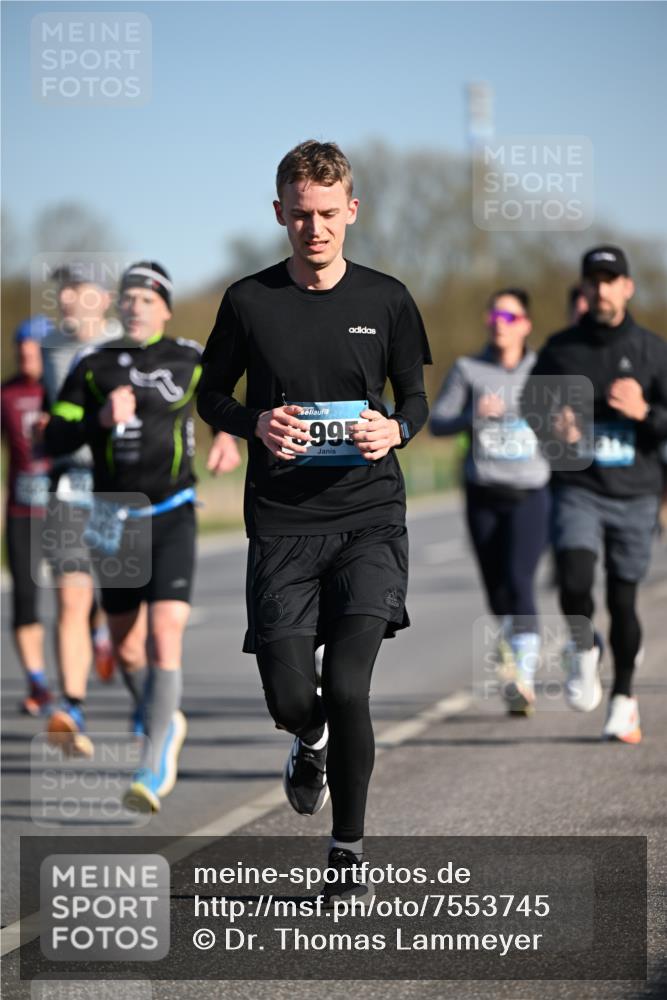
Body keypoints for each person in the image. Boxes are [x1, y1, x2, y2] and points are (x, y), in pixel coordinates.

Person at [197, 140, 431, 901]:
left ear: (351, 211)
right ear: (279, 214)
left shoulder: (387, 298)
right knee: (292, 697)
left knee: (351, 685)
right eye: (300, 215)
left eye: (329, 214)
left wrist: (393, 429)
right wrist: (254, 422)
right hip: (281, 527)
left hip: (368, 519)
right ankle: (308, 739)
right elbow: (210, 396)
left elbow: (414, 399)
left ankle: (347, 853)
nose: (315, 228)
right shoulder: (247, 301)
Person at [45, 261, 240, 810]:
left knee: (164, 631)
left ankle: (151, 764)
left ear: (165, 308)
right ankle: (161, 716)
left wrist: (226, 437)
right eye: (127, 297)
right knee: (127, 644)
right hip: (111, 514)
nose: (134, 305)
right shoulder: (92, 363)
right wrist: (98, 420)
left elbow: (221, 402)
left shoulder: (189, 356)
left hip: (174, 508)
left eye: (146, 299)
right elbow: (55, 435)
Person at [526, 245, 667, 742]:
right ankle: (584, 648)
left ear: (628, 287)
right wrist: (553, 424)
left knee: (624, 600)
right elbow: (531, 407)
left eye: (612, 280)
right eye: (594, 280)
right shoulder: (561, 348)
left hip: (635, 491)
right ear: (583, 288)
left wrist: (644, 412)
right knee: (574, 577)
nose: (602, 288)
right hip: (579, 486)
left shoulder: (654, 351)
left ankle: (624, 698)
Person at [430, 289, 551, 714]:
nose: (500, 321)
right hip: (482, 492)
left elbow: (570, 430)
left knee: (521, 581)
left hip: (531, 492)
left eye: (510, 315)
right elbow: (437, 423)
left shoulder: (544, 370)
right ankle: (512, 648)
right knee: (497, 589)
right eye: (495, 314)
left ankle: (524, 677)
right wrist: (473, 415)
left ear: (525, 325)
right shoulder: (468, 369)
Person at [40, 267, 121, 754]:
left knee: (116, 600)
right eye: (63, 290)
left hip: (118, 487)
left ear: (104, 297)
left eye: (79, 289)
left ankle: (108, 641)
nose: (67, 298)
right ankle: (71, 705)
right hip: (68, 482)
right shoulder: (49, 344)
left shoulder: (125, 343)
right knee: (70, 594)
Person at [1, 316, 54, 715]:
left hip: (65, 507)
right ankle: (37, 682)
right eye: (21, 347)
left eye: (33, 348)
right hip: (21, 508)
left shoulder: (65, 388)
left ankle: (100, 633)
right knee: (23, 597)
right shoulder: (6, 394)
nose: (25, 354)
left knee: (81, 598)